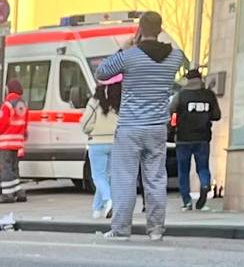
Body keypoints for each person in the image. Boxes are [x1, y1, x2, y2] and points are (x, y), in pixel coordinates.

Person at [97, 13, 185, 239]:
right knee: (156, 179)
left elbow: (102, 72)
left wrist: (125, 47)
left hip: (130, 127)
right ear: (160, 29)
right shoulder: (175, 57)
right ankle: (156, 229)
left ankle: (121, 229)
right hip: (157, 128)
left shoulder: (129, 56)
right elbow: (181, 58)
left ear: (140, 29)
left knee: (124, 179)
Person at [170, 68, 222, 208]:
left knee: (183, 171)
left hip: (183, 138)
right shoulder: (209, 95)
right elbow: (217, 115)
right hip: (203, 138)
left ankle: (187, 201)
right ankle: (205, 184)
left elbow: (171, 110)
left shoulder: (181, 95)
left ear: (187, 80)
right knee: (203, 167)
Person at [85, 73, 120, 221]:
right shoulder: (119, 101)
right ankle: (97, 209)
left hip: (97, 142)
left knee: (98, 176)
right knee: (108, 177)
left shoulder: (94, 102)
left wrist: (91, 130)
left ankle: (108, 199)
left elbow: (85, 123)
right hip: (115, 142)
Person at [0, 79, 31, 201]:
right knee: (14, 168)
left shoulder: (7, 104)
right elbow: (25, 124)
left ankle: (7, 194)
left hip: (5, 142)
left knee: (5, 168)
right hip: (17, 142)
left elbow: (2, 122)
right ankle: (19, 192)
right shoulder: (23, 105)